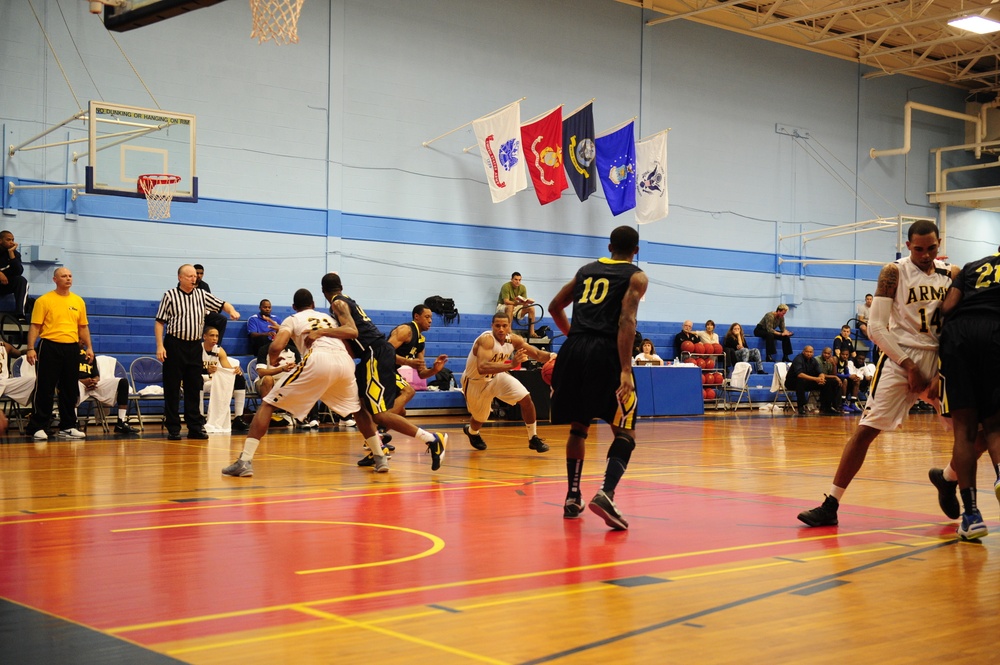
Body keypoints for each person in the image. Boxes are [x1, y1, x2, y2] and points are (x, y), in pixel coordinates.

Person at [797, 220, 958, 527]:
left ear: (940, 244)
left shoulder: (951, 274)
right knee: (865, 431)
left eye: (932, 248)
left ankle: (949, 479)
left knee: (970, 433)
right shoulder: (893, 272)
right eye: (919, 249)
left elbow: (956, 327)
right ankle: (830, 504)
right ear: (908, 246)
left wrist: (942, 369)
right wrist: (909, 365)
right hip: (900, 361)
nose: (925, 255)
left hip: (939, 361)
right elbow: (875, 327)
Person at [548, 225, 648, 530]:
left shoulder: (585, 271)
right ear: (636, 250)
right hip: (606, 351)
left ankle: (572, 496)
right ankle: (606, 492)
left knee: (579, 428)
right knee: (625, 430)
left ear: (608, 247)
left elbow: (554, 307)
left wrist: (574, 336)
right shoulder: (636, 276)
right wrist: (626, 370)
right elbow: (627, 320)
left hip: (574, 350)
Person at [223, 288, 371, 477]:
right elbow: (350, 346)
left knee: (268, 404)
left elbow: (276, 346)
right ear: (314, 305)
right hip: (345, 361)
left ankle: (244, 461)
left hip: (319, 358)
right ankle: (379, 455)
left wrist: (274, 358)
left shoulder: (293, 319)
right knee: (357, 409)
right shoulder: (330, 318)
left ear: (294, 307)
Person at [321, 273, 447, 470]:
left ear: (323, 291)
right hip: (372, 356)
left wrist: (319, 332)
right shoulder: (405, 329)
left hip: (375, 354)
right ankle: (377, 449)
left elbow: (352, 332)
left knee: (380, 414)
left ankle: (431, 439)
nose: (430, 320)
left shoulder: (338, 303)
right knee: (360, 407)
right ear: (341, 286)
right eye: (428, 317)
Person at [928, 248, 1000, 540]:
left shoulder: (972, 266)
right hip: (996, 332)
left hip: (959, 337)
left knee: (965, 431)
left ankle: (971, 516)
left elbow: (947, 308)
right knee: (995, 425)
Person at [155, 264, 240, 441]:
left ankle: (194, 427)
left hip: (194, 346)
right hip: (174, 344)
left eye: (195, 276)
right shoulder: (170, 295)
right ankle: (173, 428)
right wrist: (159, 346)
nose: (194, 279)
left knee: (194, 386)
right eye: (190, 276)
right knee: (172, 387)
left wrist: (232, 310)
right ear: (180, 278)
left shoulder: (201, 294)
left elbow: (222, 304)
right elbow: (159, 322)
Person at [461, 313, 554, 453]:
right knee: (480, 418)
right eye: (497, 326)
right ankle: (472, 432)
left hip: (497, 376)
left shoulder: (514, 340)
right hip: (476, 382)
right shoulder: (487, 340)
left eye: (505, 326)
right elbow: (482, 368)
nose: (501, 329)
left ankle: (533, 438)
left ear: (509, 326)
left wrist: (554, 357)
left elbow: (538, 355)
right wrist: (511, 365)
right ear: (492, 326)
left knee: (526, 398)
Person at [25, 267, 92, 440]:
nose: (68, 278)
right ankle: (37, 426)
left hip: (71, 348)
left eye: (70, 275)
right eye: (64, 276)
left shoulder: (78, 301)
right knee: (45, 388)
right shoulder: (44, 300)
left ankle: (68, 426)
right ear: (55, 279)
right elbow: (35, 326)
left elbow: (83, 327)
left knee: (70, 388)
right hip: (49, 346)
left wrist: (89, 348)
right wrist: (30, 348)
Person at [76, 347, 139, 434]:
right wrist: (82, 381)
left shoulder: (89, 353)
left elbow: (96, 375)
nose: (84, 340)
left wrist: (94, 381)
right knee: (72, 385)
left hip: (92, 385)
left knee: (123, 382)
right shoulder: (69, 352)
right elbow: (65, 376)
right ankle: (73, 423)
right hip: (79, 383)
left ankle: (121, 422)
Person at [200, 326, 249, 433]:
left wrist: (235, 370)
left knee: (239, 378)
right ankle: (199, 417)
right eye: (212, 335)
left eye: (217, 336)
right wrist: (206, 370)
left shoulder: (219, 350)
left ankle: (238, 417)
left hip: (214, 381)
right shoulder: (197, 349)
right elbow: (190, 369)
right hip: (198, 380)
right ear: (204, 336)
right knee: (198, 380)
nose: (215, 338)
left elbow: (226, 367)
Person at [786, 346, 839, 416]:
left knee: (830, 382)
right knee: (800, 380)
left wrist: (821, 378)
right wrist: (816, 379)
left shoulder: (813, 360)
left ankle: (826, 406)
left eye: (810, 352)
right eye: (807, 352)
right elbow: (800, 374)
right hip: (792, 382)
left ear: (813, 353)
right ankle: (801, 407)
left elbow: (820, 372)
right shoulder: (798, 359)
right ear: (803, 352)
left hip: (807, 382)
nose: (809, 354)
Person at [186, 264, 229, 343]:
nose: (199, 275)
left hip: (204, 312)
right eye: (197, 273)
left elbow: (210, 301)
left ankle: (216, 345)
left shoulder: (205, 286)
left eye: (201, 273)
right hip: (191, 313)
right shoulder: (186, 284)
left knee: (222, 319)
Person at [497, 272, 538, 338]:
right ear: (511, 279)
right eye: (516, 279)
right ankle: (509, 331)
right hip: (503, 306)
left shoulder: (523, 288)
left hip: (515, 307)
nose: (518, 282)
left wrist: (526, 303)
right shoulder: (506, 286)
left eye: (519, 280)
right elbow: (506, 301)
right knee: (510, 306)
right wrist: (518, 303)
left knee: (531, 308)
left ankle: (532, 332)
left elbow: (523, 301)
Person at [0, 231, 29, 320]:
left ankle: (20, 314)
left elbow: (19, 271)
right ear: (0, 241)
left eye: (13, 240)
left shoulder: (15, 254)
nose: (11, 242)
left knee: (21, 280)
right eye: (8, 240)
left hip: (5, 284)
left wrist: (11, 254)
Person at [0, 338, 33, 414]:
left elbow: (19, 353)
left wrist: (31, 350)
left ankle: (37, 417)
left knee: (34, 380)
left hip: (5, 383)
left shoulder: (5, 346)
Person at [835, 347, 862, 414]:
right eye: (843, 354)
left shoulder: (846, 361)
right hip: (835, 378)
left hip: (842, 377)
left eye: (846, 355)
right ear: (840, 354)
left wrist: (854, 377)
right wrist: (848, 376)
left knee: (856, 380)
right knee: (845, 381)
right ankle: (843, 403)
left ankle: (853, 403)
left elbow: (847, 373)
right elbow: (835, 374)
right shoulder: (836, 359)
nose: (845, 356)